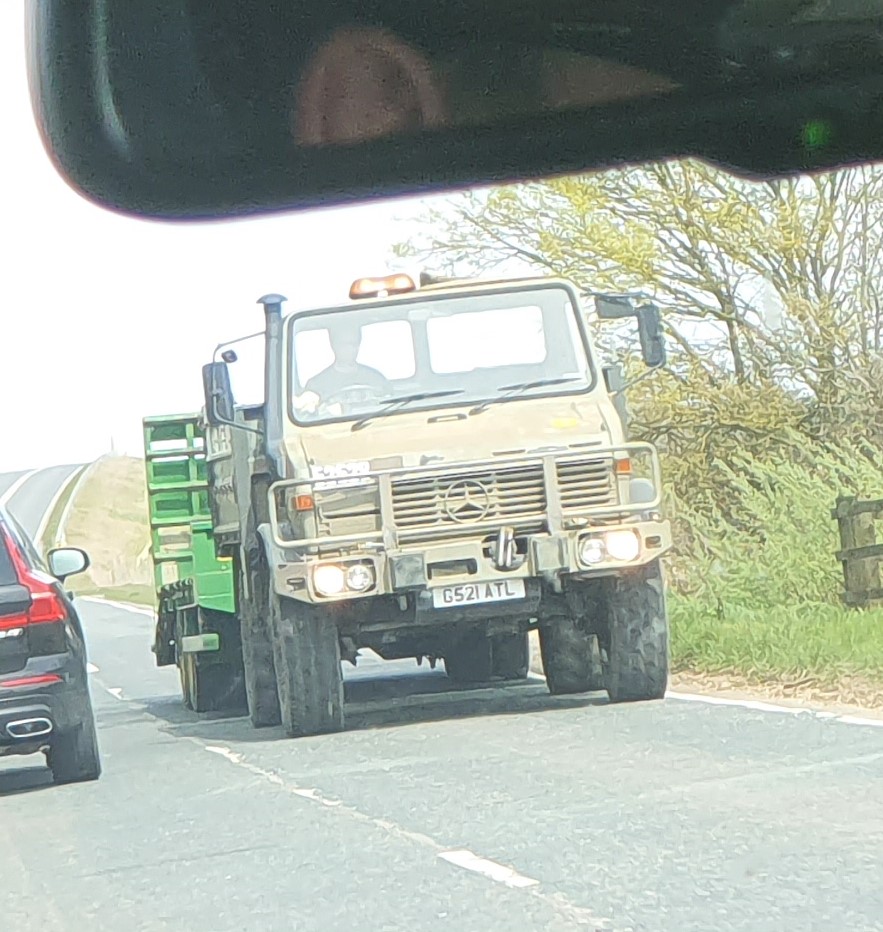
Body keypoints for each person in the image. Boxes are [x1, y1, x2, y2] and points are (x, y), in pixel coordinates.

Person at [295, 326, 390, 414]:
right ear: (334, 345)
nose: (351, 348)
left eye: (354, 343)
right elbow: (308, 416)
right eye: (345, 344)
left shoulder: (376, 378)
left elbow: (391, 406)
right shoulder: (316, 385)